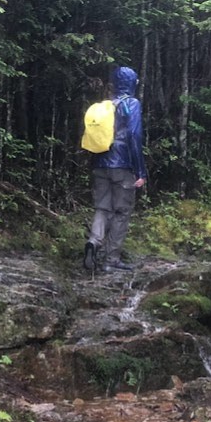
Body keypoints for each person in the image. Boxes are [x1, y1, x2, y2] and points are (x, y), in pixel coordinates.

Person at [83, 66, 147, 273]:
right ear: (132, 83)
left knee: (102, 208)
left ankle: (94, 242)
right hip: (123, 166)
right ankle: (111, 259)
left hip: (100, 164)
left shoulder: (106, 105)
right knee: (121, 211)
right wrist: (140, 170)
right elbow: (134, 136)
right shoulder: (132, 104)